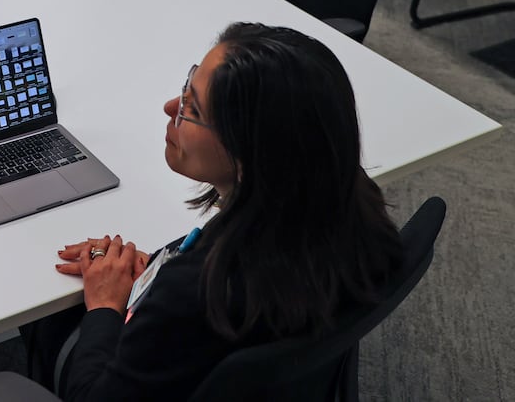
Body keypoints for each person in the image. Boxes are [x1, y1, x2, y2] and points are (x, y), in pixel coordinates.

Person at [40, 22, 403, 401]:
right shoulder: (357, 206)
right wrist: (158, 271)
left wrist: (104, 306)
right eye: (187, 85)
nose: (170, 107)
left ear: (246, 155)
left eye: (191, 108)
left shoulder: (194, 294)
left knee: (48, 316)